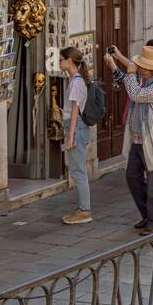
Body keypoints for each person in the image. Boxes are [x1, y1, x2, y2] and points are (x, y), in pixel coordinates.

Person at [107, 44, 153, 234]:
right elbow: (132, 78)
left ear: (149, 68)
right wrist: (119, 58)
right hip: (139, 137)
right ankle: (147, 214)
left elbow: (135, 94)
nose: (137, 67)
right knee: (132, 175)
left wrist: (128, 72)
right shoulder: (146, 79)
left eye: (140, 65)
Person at [59, 47, 94, 226]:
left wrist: (70, 135)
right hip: (76, 127)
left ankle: (85, 210)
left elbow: (75, 111)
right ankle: (83, 208)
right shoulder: (74, 80)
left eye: (61, 60)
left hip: (76, 128)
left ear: (70, 61)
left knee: (78, 170)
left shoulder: (76, 82)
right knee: (76, 169)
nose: (60, 63)